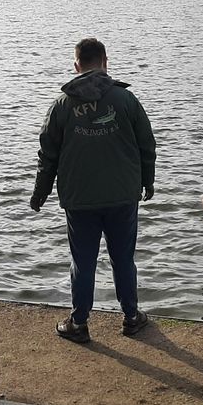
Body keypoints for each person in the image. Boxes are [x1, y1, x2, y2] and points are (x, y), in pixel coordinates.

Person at [30, 38, 157, 344]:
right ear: (105, 62)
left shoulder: (61, 106)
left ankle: (79, 322)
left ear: (76, 66)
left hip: (80, 199)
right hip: (122, 196)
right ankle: (131, 317)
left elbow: (47, 155)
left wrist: (40, 192)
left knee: (83, 262)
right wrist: (148, 181)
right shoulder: (126, 100)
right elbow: (147, 145)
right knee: (123, 259)